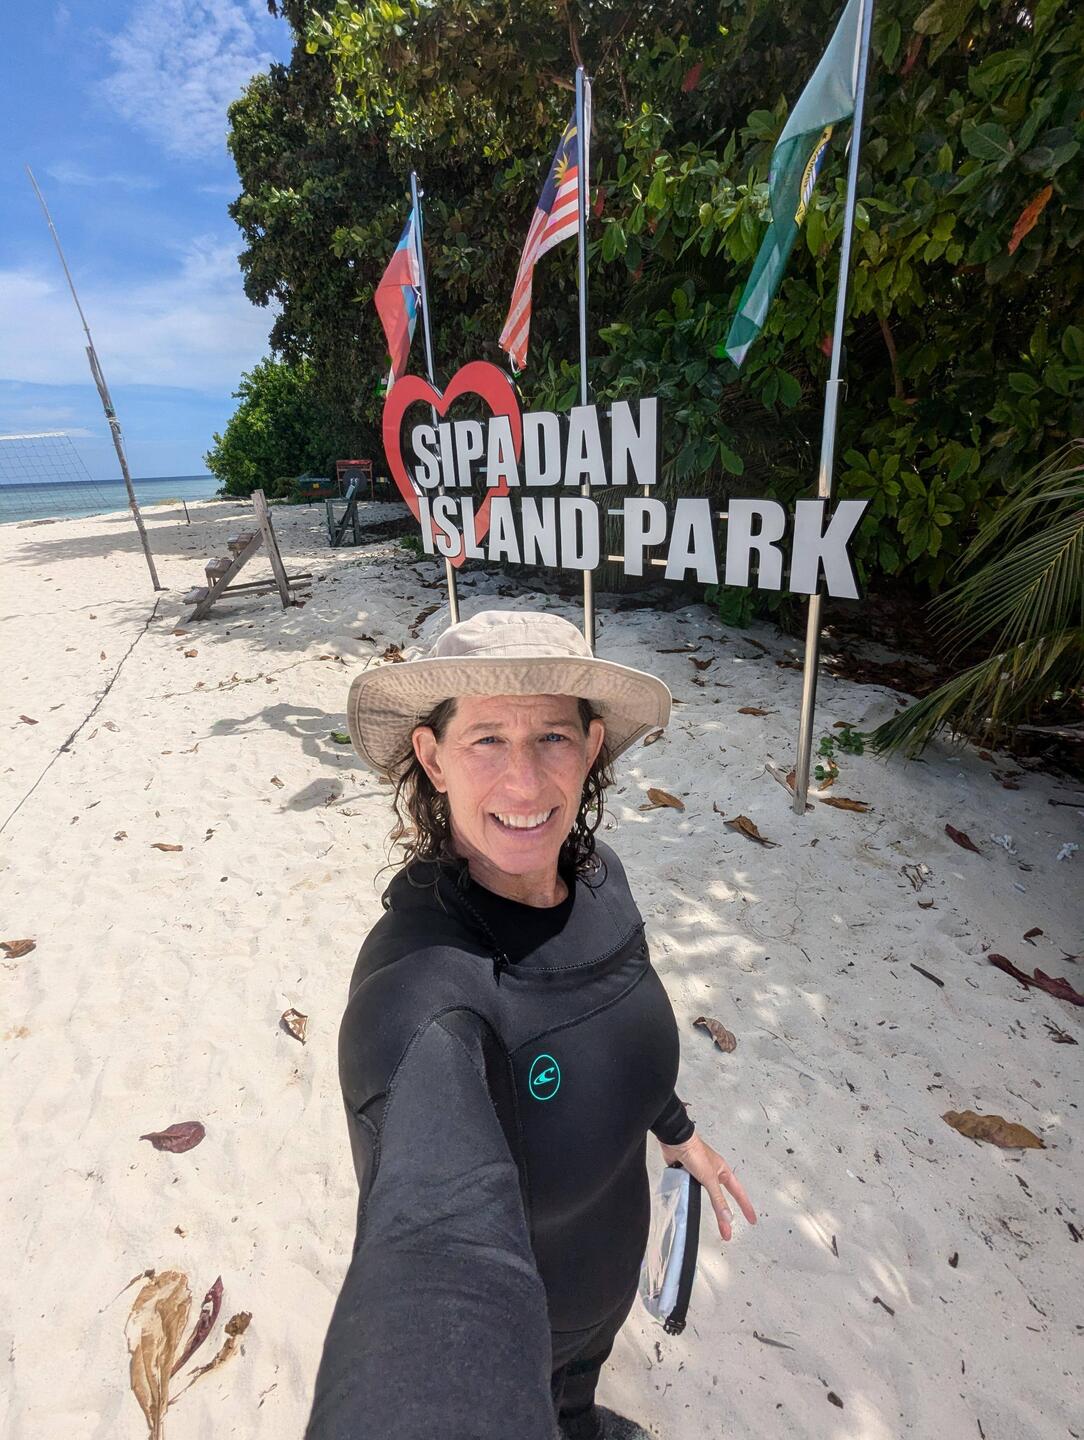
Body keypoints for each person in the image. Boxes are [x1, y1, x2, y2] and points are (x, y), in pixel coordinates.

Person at [305, 610, 756, 1440]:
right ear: (432, 759)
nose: (524, 783)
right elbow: (431, 1252)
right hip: (517, 1342)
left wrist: (675, 1129)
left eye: (551, 737)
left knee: (575, 1400)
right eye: (487, 740)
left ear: (591, 748)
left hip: (605, 1291)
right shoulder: (419, 993)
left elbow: (611, 1024)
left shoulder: (601, 878)